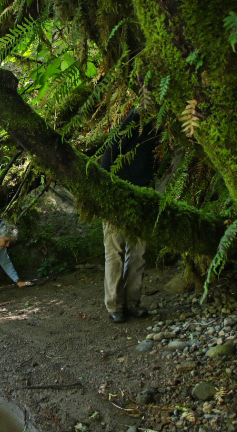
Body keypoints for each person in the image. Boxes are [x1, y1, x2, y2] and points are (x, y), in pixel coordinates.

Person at [100, 110, 157, 323]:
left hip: (142, 197)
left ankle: (132, 303)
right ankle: (115, 305)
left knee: (139, 253)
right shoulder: (134, 120)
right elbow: (108, 156)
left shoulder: (162, 129)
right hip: (115, 196)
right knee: (114, 253)